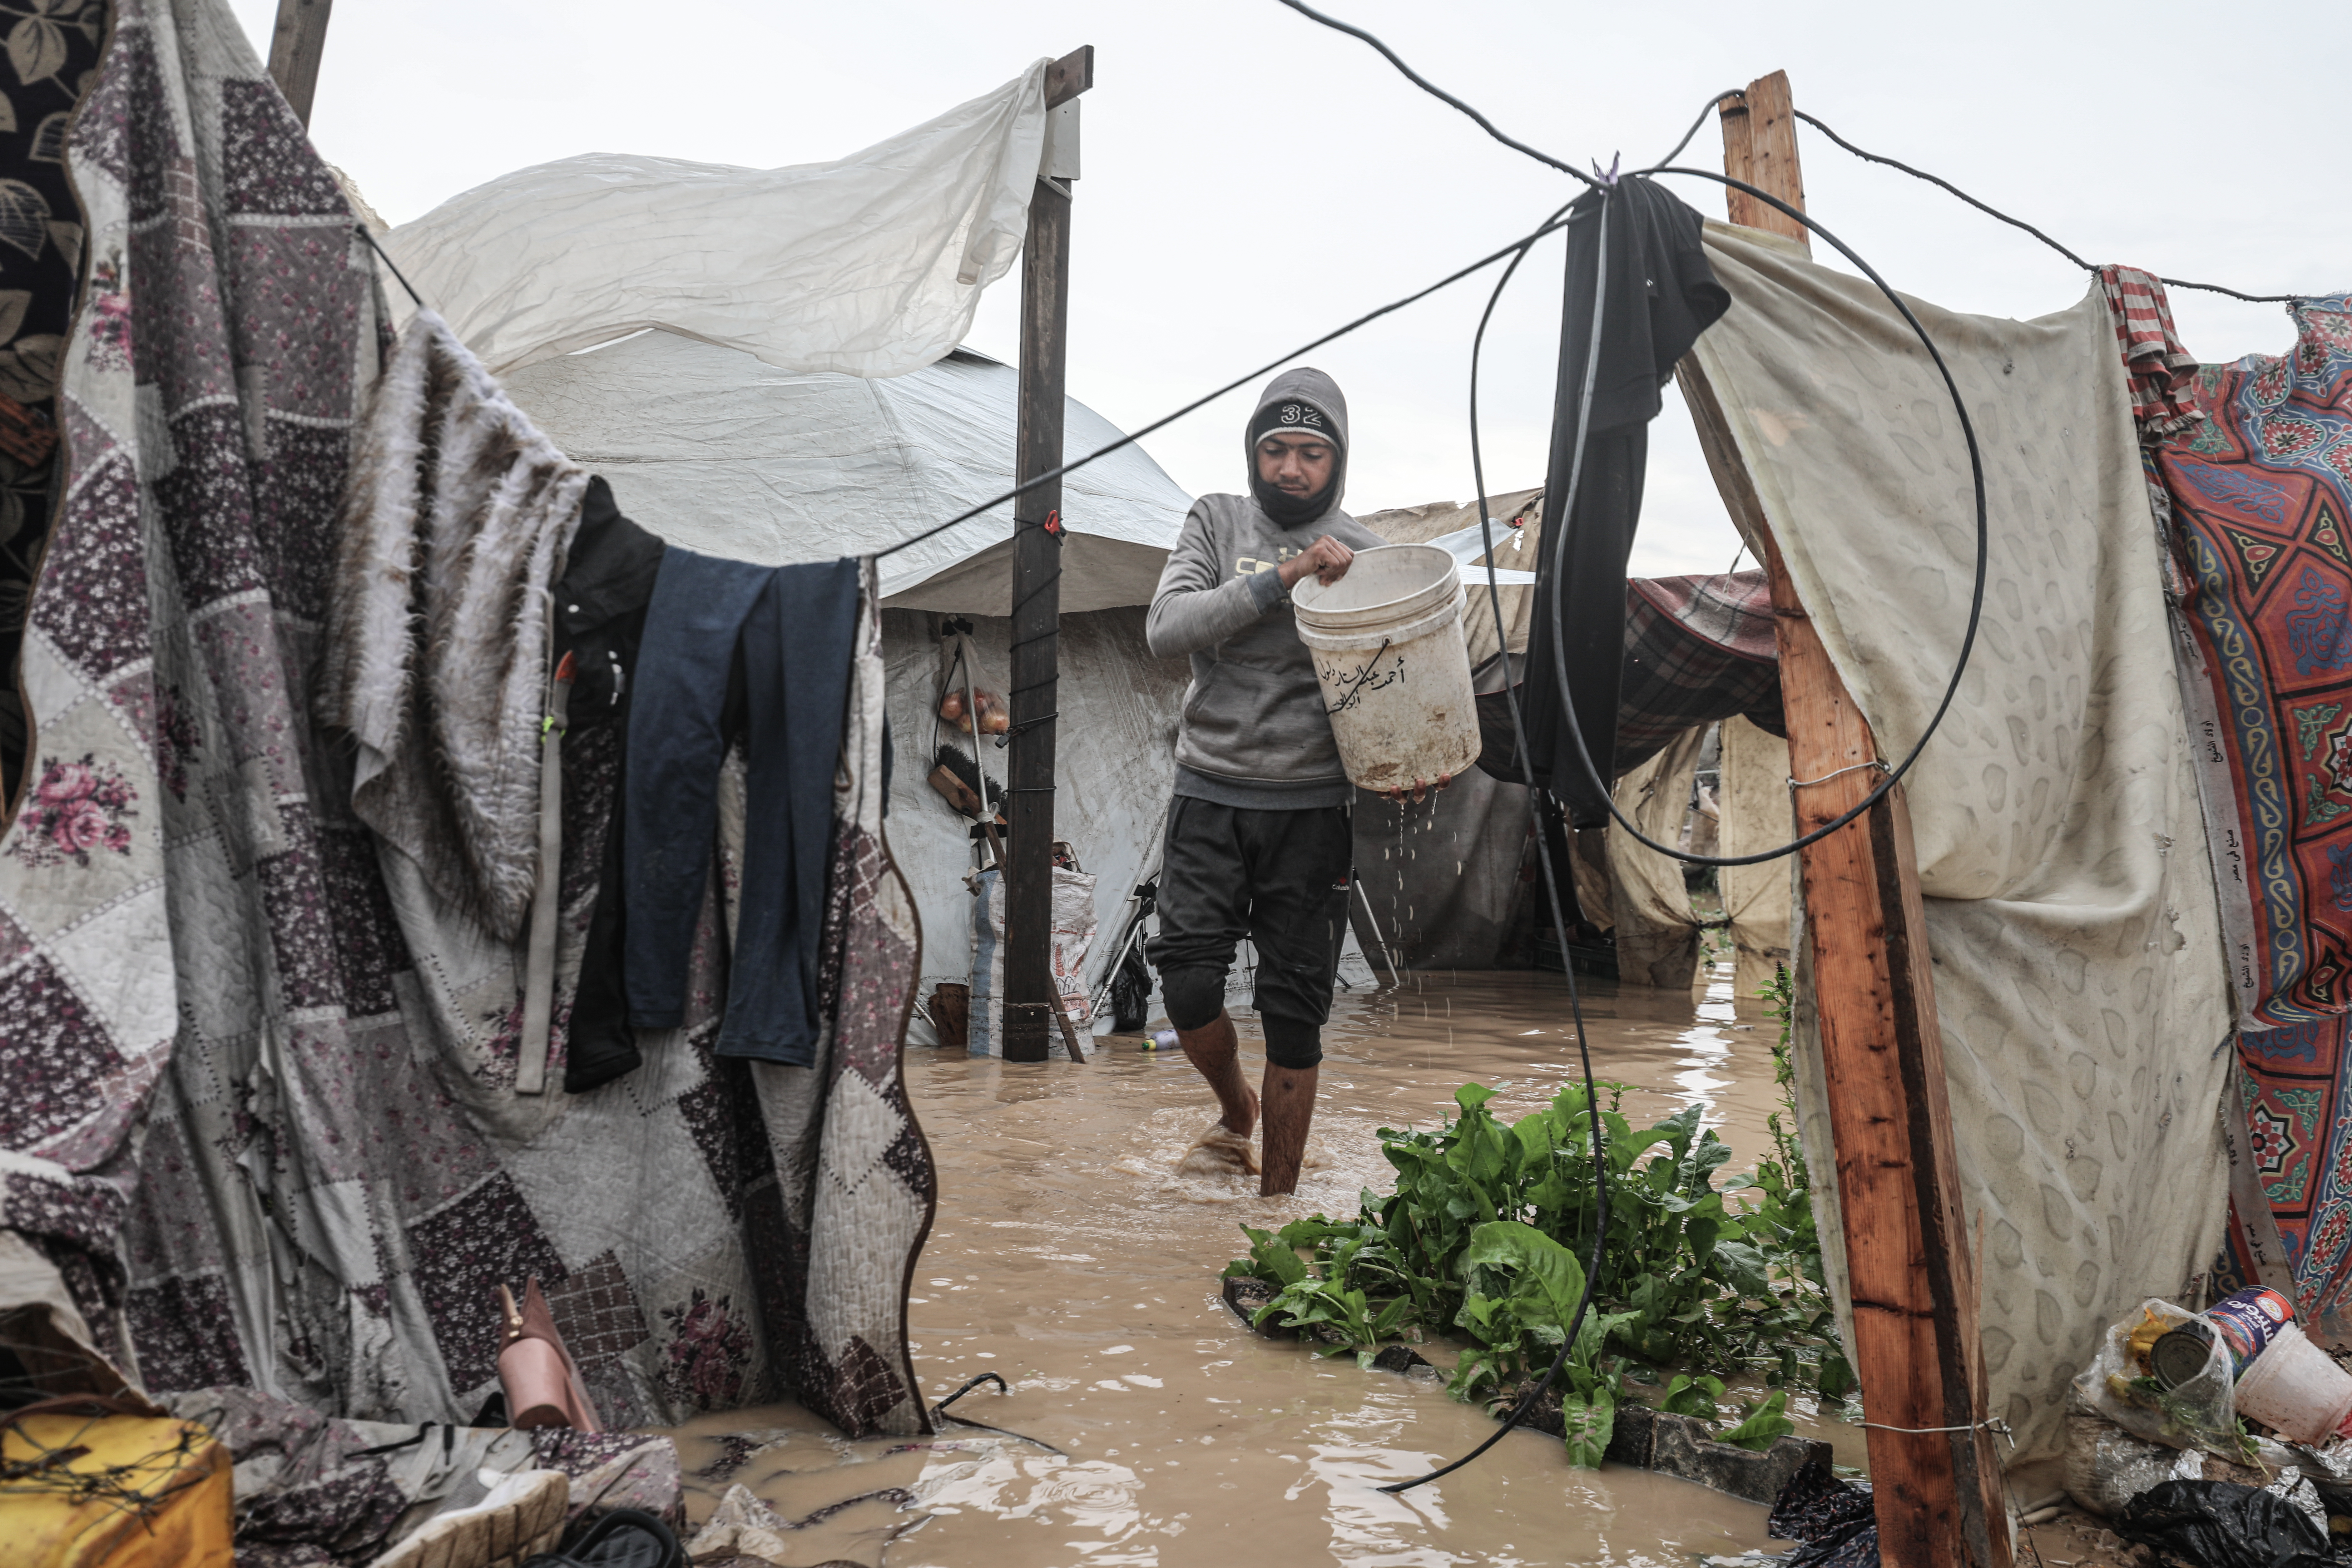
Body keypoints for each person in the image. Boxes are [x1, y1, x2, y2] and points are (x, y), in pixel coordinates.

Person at [1144, 367, 1384, 1196]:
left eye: (1311, 453)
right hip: (1210, 789)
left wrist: (1412, 764)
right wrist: (1281, 578)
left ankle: (1277, 1208)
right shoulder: (1215, 520)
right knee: (1187, 985)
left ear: (1337, 461)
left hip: (1313, 806)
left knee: (1296, 1010)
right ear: (1253, 454)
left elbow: (1396, 681)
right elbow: (1168, 628)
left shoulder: (1369, 554)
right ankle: (1235, 1111)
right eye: (1274, 449)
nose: (1290, 467)